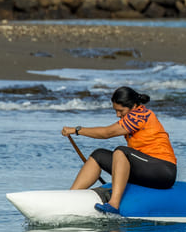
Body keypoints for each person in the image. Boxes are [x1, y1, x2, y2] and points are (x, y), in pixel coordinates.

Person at [61, 86, 177, 215]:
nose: (118, 115)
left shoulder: (140, 115)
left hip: (163, 171)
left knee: (121, 151)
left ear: (133, 106)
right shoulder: (134, 114)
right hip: (146, 168)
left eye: (120, 111)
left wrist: (77, 130)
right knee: (98, 155)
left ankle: (114, 205)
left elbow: (106, 133)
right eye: (115, 111)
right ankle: (70, 196)